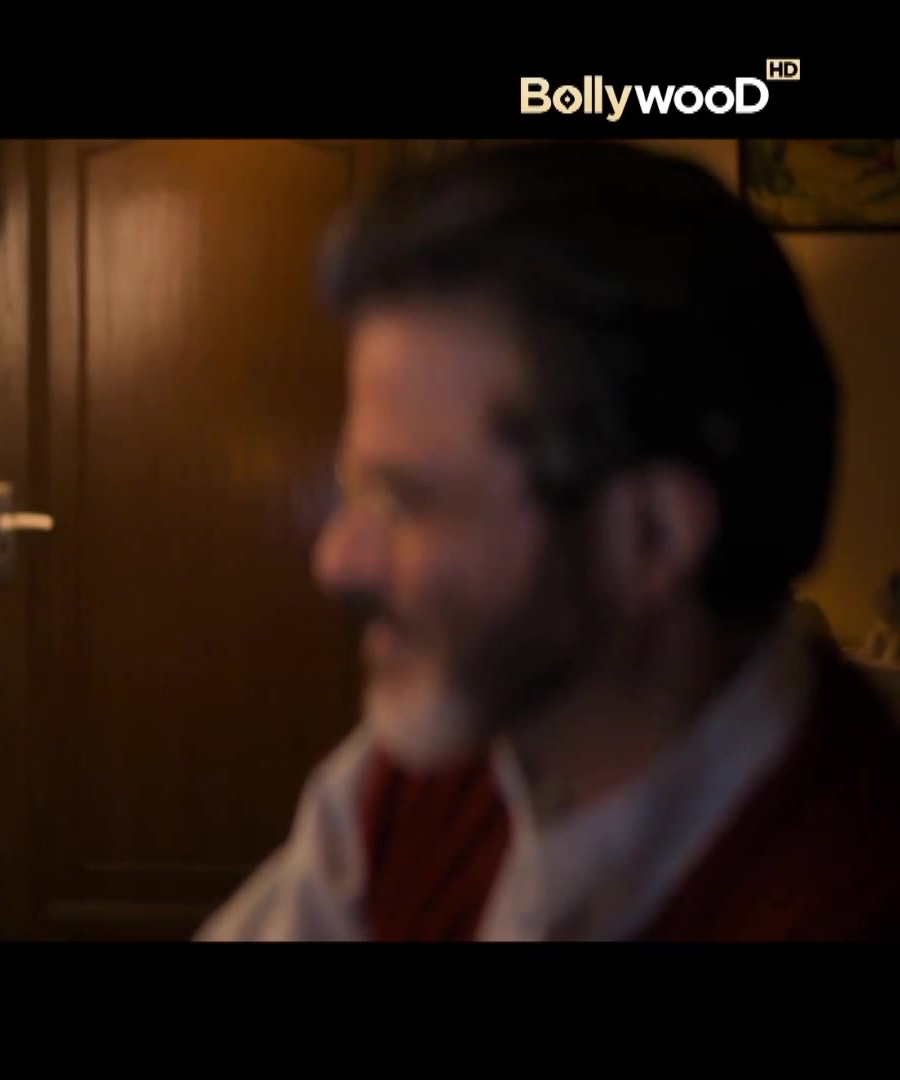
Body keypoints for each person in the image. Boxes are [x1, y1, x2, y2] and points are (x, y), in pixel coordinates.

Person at [197, 141, 900, 942]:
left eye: (408, 501)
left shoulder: (850, 890)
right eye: (358, 490)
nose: (337, 560)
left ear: (651, 535)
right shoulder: (424, 770)